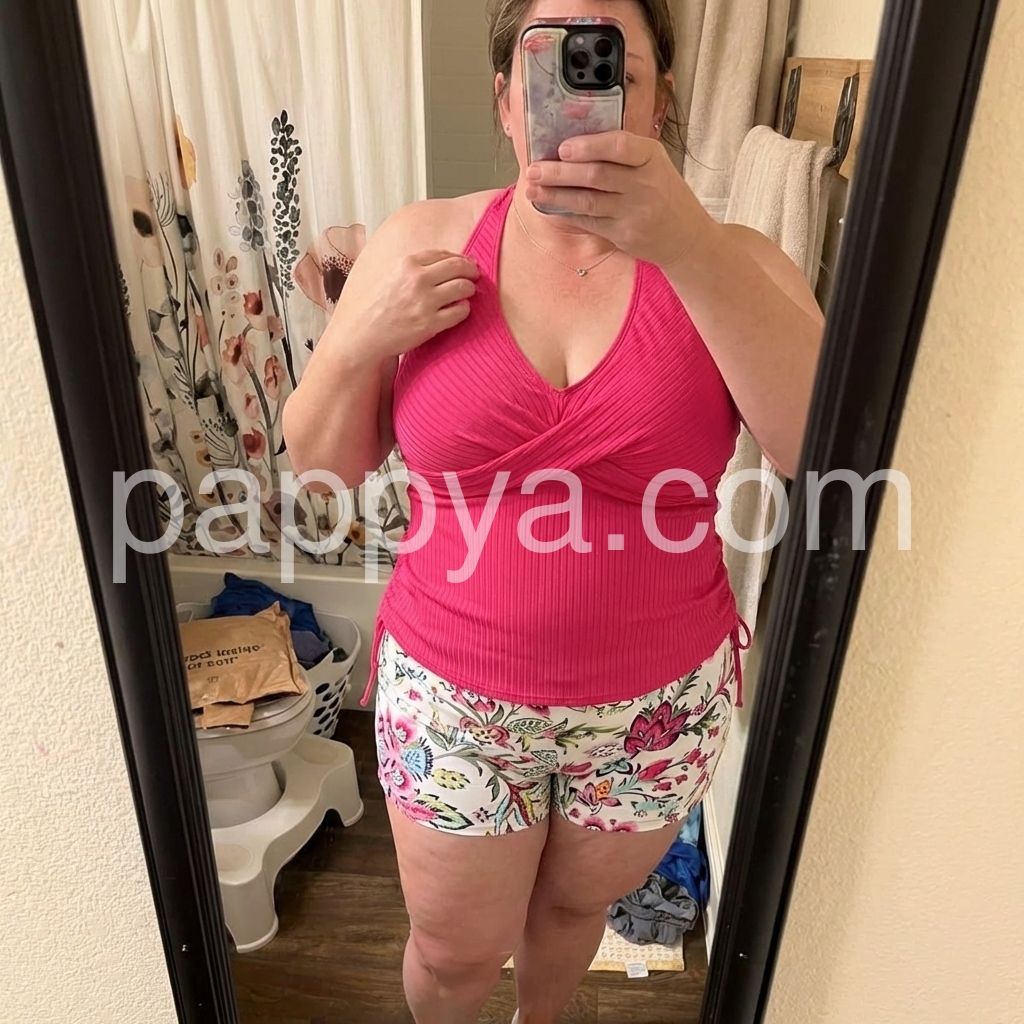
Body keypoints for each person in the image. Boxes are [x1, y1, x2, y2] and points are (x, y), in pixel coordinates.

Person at [283, 1, 824, 1020]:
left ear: (658, 101)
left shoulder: (737, 262)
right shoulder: (423, 240)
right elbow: (321, 468)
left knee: (573, 911)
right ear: (505, 101)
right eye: (550, 64)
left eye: (613, 65)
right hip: (454, 697)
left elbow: (824, 453)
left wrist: (689, 248)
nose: (579, 94)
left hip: (655, 707)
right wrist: (358, 335)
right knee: (452, 957)